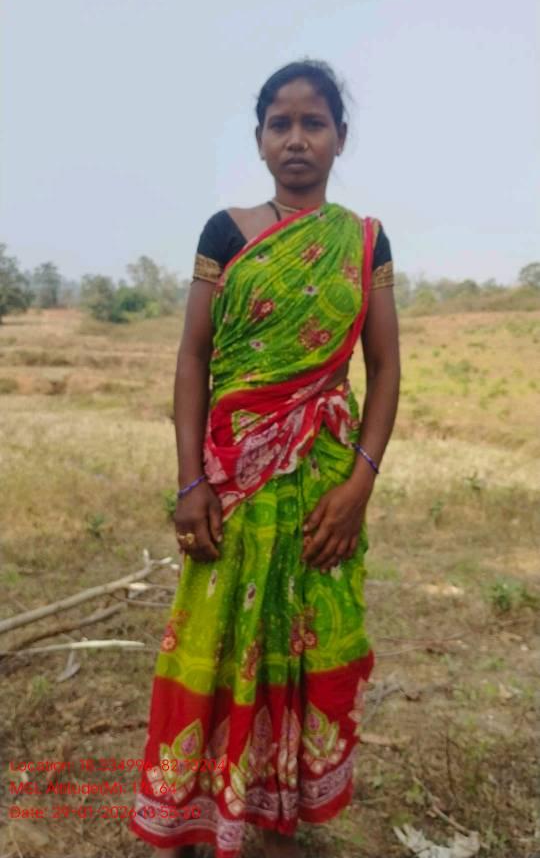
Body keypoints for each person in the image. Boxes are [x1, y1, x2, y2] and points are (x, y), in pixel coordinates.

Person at [129, 59, 400, 858]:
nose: (296, 138)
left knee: (303, 643)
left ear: (340, 137)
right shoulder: (226, 232)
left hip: (322, 488)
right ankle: (195, 811)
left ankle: (280, 816)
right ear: (258, 140)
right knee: (217, 639)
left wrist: (360, 485)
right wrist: (190, 483)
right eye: (280, 124)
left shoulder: (364, 241)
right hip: (232, 485)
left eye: (313, 123)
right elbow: (193, 358)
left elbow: (385, 368)